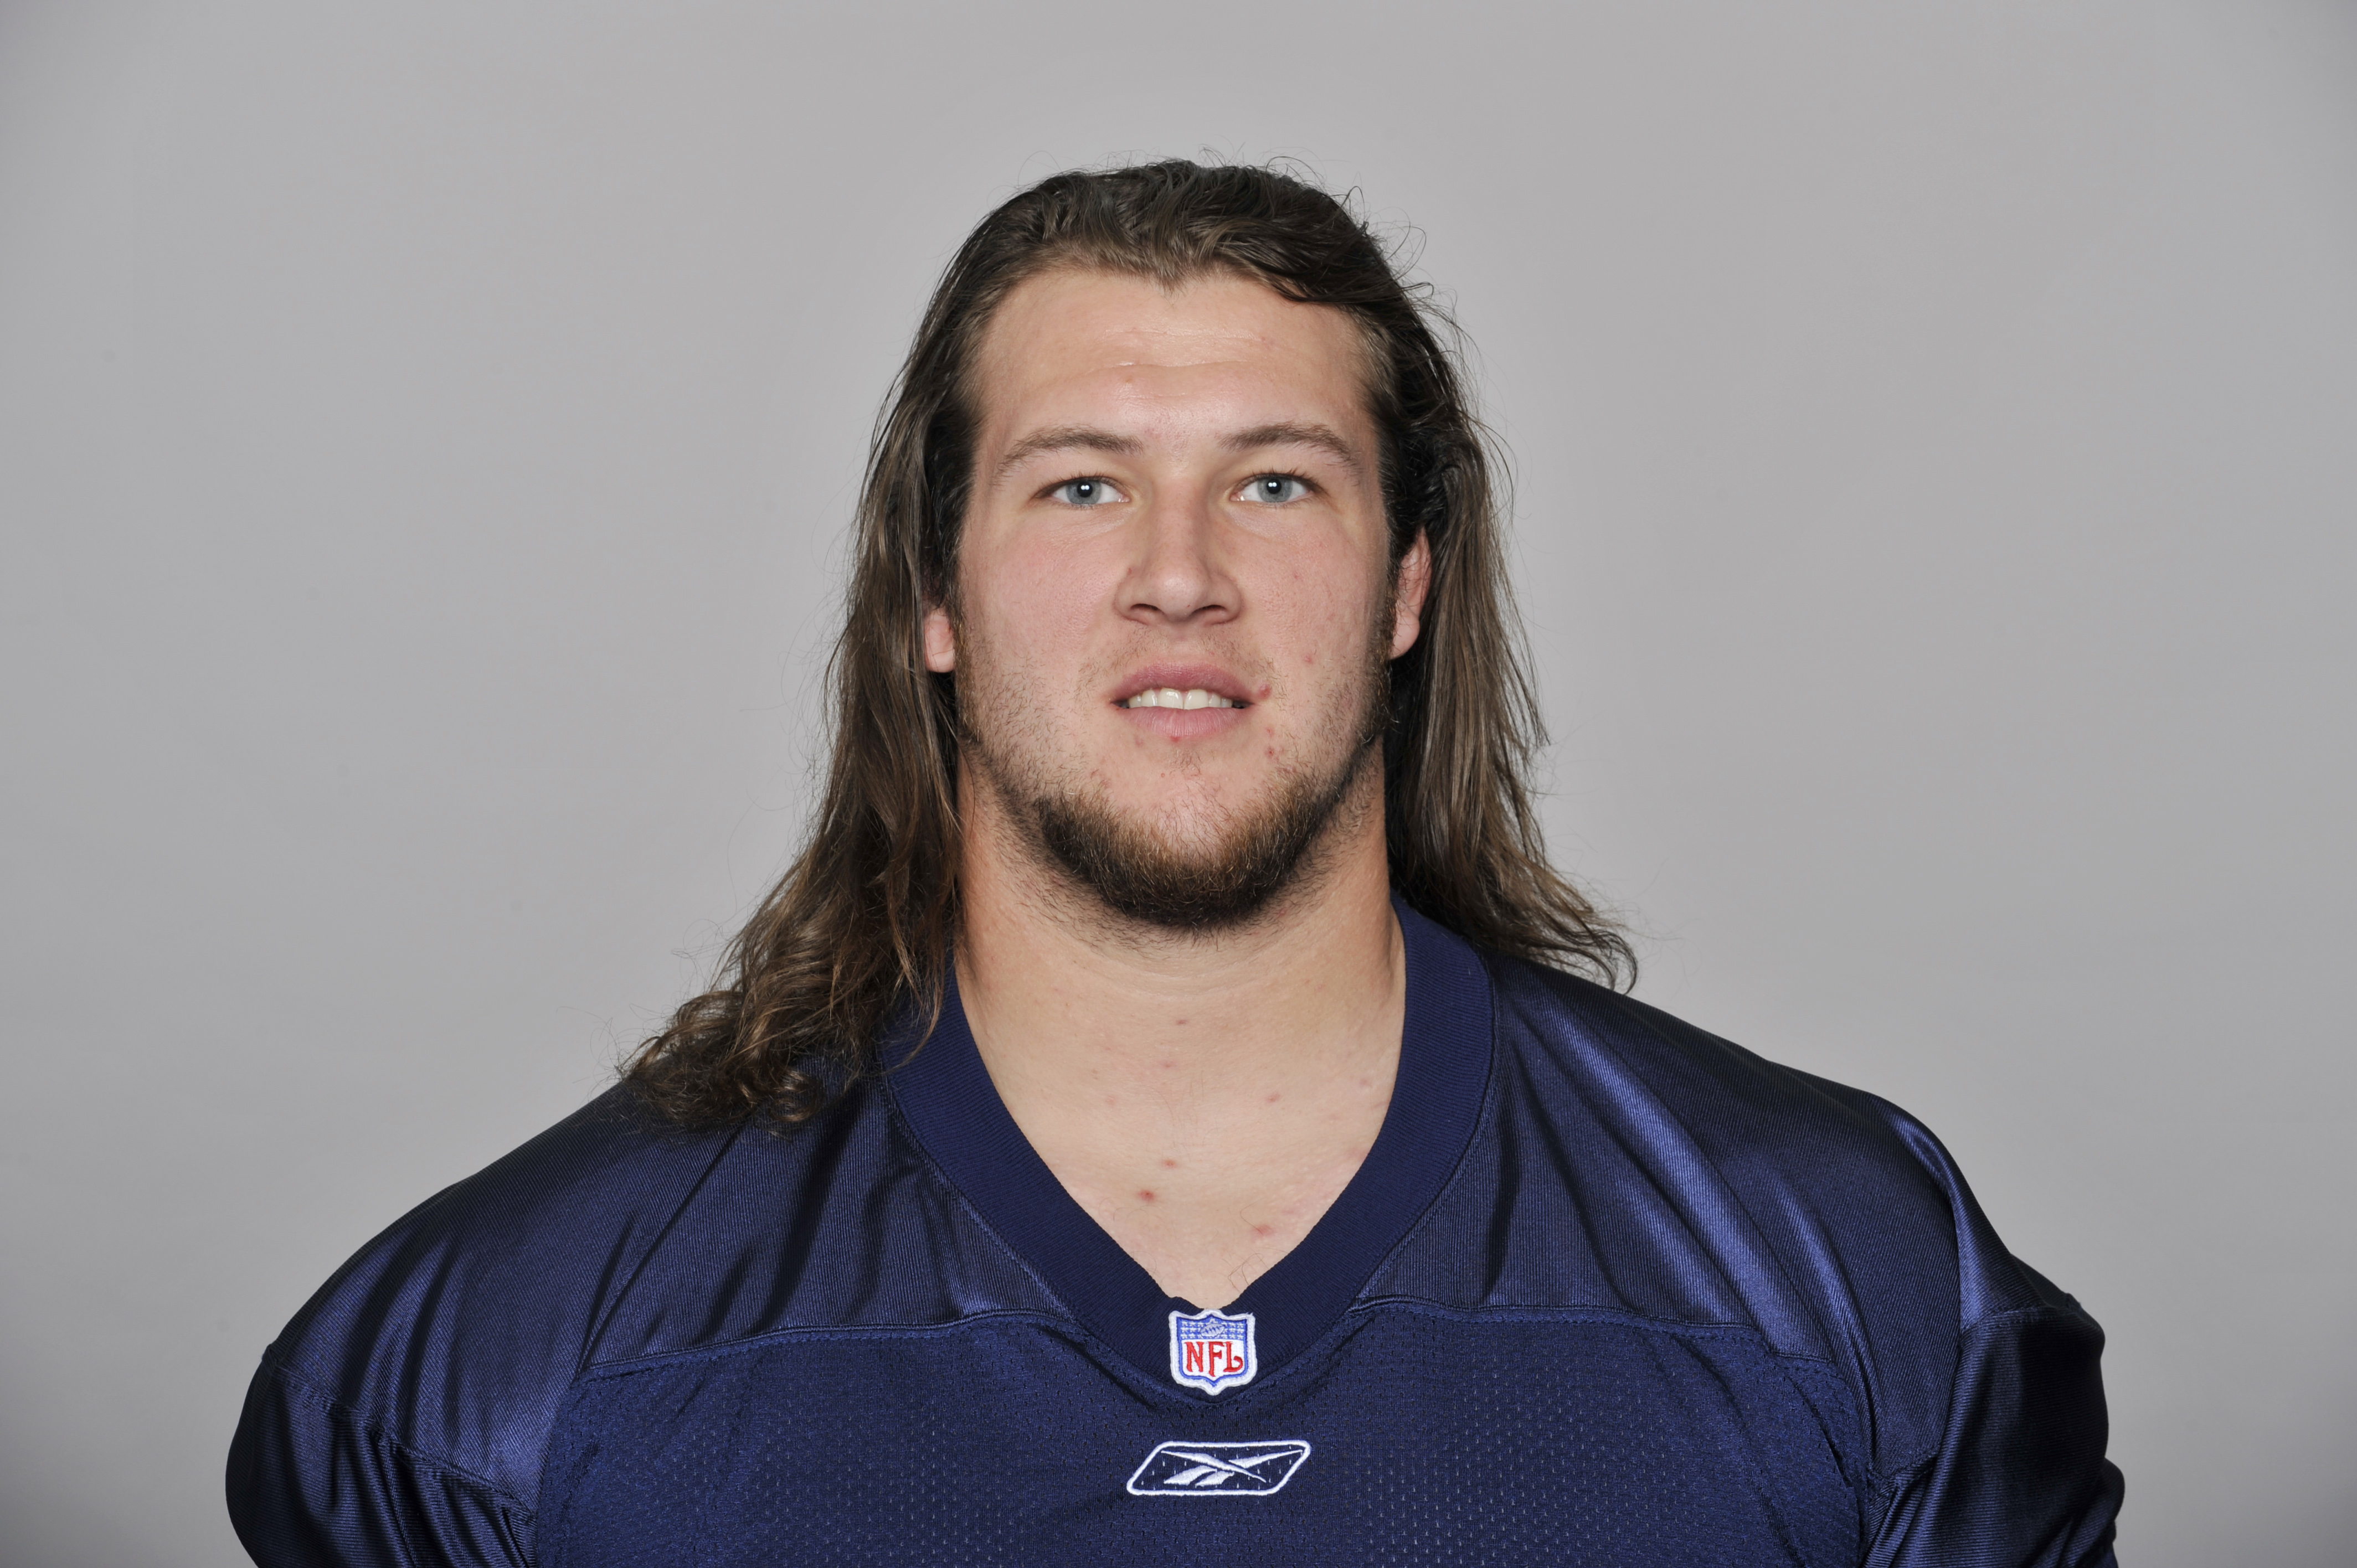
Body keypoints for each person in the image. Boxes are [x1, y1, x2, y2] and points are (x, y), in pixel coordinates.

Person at [227, 160, 2124, 1566]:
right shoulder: (494, 1364)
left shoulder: (1860, 1285)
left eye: (1275, 480)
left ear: (1406, 586)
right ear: (934, 597)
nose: (1180, 573)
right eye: (1082, 483)